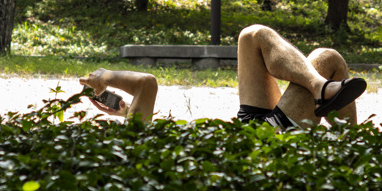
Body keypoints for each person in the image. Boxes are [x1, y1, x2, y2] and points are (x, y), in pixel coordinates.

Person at [78, 24, 366, 129]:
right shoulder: (134, 146)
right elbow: (146, 83)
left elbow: (143, 100)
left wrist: (126, 112)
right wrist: (107, 76)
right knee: (328, 57)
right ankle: (355, 152)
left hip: (248, 128)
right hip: (265, 140)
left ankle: (320, 88)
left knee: (252, 36)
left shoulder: (139, 141)